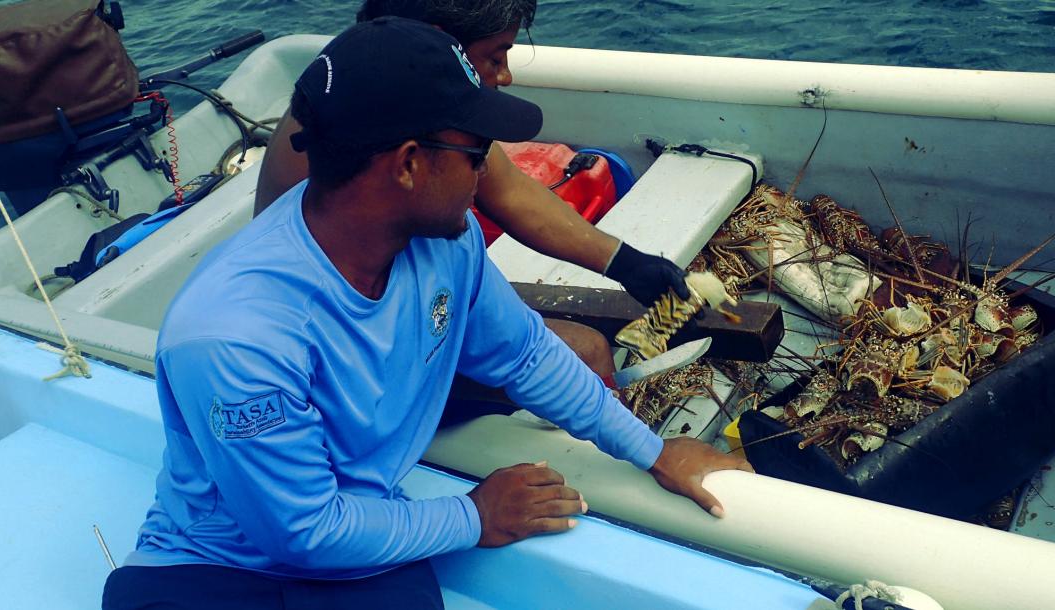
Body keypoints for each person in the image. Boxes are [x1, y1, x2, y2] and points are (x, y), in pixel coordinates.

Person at [103, 18, 751, 609]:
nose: (486, 172)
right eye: (477, 152)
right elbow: (306, 532)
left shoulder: (446, 242)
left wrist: (652, 451)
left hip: (360, 542)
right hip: (213, 571)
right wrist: (474, 515)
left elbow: (524, 354)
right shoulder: (233, 335)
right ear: (410, 164)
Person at [254, 0, 694, 384]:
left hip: (405, 313)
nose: (505, 75)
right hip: (349, 352)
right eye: (495, 57)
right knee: (587, 353)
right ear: (441, 44)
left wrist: (625, 263)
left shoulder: (390, 94)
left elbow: (511, 192)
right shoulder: (356, 134)